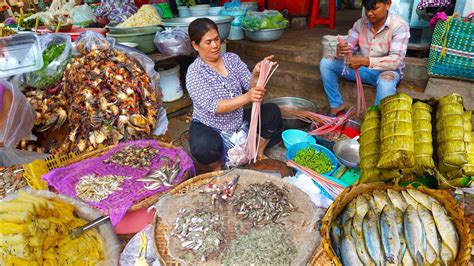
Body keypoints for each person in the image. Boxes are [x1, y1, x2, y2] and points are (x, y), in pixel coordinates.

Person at [186, 18, 283, 171]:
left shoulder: (231, 59)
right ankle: (218, 168)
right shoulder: (195, 72)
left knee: (272, 112)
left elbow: (249, 84)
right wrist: (247, 97)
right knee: (202, 146)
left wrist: (257, 75)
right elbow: (214, 106)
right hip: (211, 125)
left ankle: (258, 153)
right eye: (208, 42)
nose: (215, 45)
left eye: (217, 39)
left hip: (237, 119)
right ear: (195, 45)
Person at [320, 0, 410, 116]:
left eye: (374, 8)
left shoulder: (399, 26)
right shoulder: (360, 24)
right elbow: (350, 46)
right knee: (326, 63)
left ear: (388, 4)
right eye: (367, 9)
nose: (369, 13)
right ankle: (336, 106)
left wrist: (365, 61)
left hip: (385, 71)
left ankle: (375, 121)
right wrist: (342, 50)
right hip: (362, 69)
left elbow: (396, 61)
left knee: (386, 83)